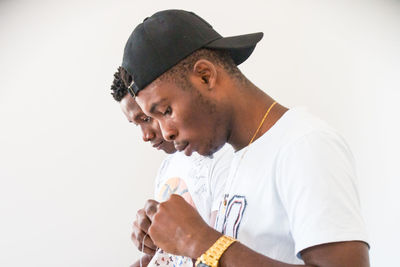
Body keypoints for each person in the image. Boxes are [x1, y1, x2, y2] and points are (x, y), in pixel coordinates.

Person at [117, 9, 370, 267]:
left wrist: (198, 239)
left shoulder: (305, 144)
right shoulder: (237, 161)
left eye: (166, 111)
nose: (166, 132)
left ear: (205, 75)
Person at [110, 69, 233, 267]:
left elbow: (221, 253)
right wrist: (151, 248)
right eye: (136, 124)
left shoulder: (222, 157)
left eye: (146, 118)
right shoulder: (166, 169)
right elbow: (174, 257)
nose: (145, 136)